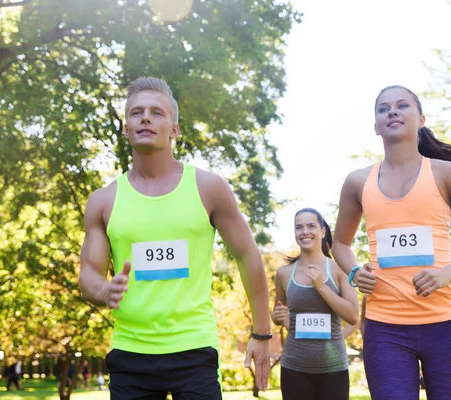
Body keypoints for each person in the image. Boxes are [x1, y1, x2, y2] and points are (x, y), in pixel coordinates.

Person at [78, 77, 271, 399]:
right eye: (136, 112)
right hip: (130, 351)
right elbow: (88, 274)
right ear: (126, 129)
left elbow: (247, 255)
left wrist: (262, 333)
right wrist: (103, 289)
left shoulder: (209, 188)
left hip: (194, 349)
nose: (145, 118)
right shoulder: (103, 201)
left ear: (175, 129)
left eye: (157, 112)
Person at [332, 85, 451, 399]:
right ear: (375, 126)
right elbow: (339, 245)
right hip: (385, 329)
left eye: (402, 106)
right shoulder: (357, 181)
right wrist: (356, 273)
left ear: (421, 119)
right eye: (383, 109)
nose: (392, 112)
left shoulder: (446, 173)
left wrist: (449, 272)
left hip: (447, 324)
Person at [271, 208, 359, 400]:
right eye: (299, 227)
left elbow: (353, 316)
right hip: (294, 367)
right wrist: (277, 318)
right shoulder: (284, 273)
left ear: (323, 231)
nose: (305, 232)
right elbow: (278, 313)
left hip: (334, 369)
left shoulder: (339, 269)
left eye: (311, 226)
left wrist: (322, 287)